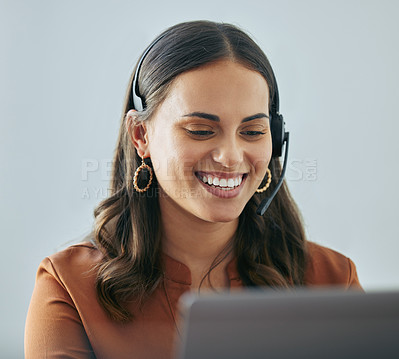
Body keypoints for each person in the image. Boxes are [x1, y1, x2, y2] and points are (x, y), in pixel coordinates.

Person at [25, 20, 362, 359]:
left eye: (253, 131)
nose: (230, 157)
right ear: (141, 136)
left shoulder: (332, 280)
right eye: (201, 130)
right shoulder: (70, 286)